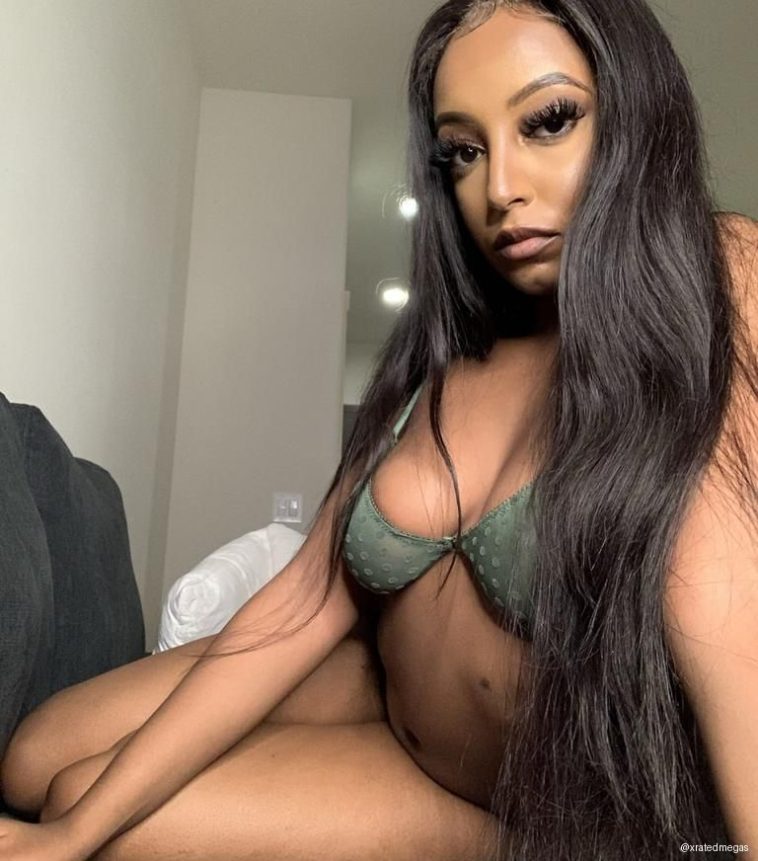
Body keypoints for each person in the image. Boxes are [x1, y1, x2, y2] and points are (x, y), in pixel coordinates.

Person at [1, 0, 756, 858]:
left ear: (634, 112)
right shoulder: (443, 348)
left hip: (513, 798)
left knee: (82, 804)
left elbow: (727, 616)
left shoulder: (716, 276)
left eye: (548, 121)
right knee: (36, 758)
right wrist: (71, 833)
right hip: (375, 690)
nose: (500, 188)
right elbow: (302, 601)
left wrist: (81, 827)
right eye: (463, 150)